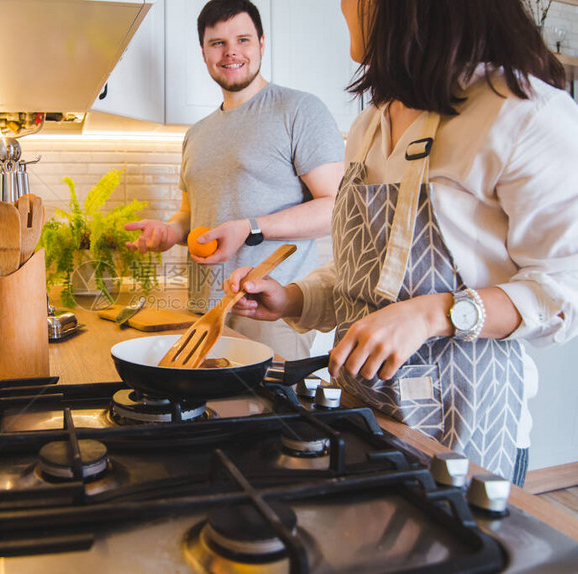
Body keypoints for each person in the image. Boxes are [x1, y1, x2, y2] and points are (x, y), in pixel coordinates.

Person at [225, 0, 578, 485]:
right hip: (364, 420)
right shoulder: (369, 125)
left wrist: (434, 313)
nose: (341, 4)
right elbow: (365, 277)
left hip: (465, 436)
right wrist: (293, 297)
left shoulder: (524, 115)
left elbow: (562, 295)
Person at [124, 0, 345, 360]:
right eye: (218, 43)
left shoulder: (300, 111)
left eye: (242, 39)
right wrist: (169, 232)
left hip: (270, 312)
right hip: (204, 311)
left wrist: (250, 227)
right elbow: (191, 215)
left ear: (261, 42)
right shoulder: (197, 133)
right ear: (204, 51)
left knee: (265, 416)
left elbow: (336, 208)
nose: (231, 53)